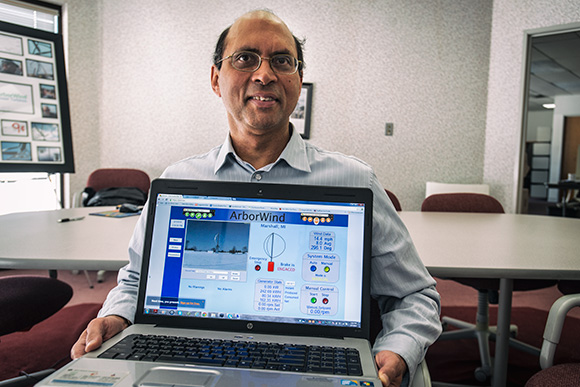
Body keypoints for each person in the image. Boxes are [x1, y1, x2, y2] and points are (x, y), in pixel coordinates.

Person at [71, 10, 441, 387]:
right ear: (216, 79)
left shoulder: (354, 179)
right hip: (184, 356)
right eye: (245, 58)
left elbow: (414, 295)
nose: (265, 74)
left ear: (297, 81)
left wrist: (399, 348)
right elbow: (136, 281)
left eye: (282, 61)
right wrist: (117, 316)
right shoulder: (178, 180)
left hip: (316, 359)